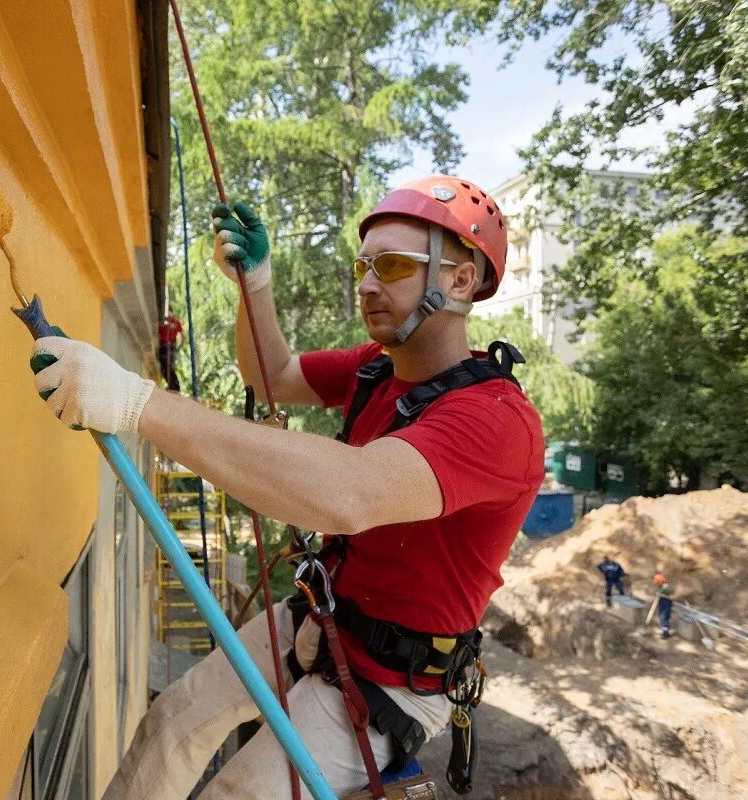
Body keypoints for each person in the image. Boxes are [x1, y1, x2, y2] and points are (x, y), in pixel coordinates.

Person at [29, 176, 545, 799]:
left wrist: (139, 404)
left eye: (392, 265)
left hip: (390, 681)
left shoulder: (495, 421)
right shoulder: (376, 369)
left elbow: (350, 494)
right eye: (363, 265)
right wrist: (257, 286)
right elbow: (271, 373)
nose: (366, 284)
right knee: (173, 724)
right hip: (321, 615)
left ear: (460, 281)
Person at [157, 310, 183, 391]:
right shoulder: (173, 322)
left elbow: (184, 335)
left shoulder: (168, 322)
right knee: (167, 367)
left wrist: (179, 347)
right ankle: (173, 386)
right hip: (168, 347)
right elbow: (184, 336)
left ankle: (174, 387)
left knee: (166, 367)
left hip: (167, 347)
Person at [654, 573, 674, 639]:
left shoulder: (665, 588)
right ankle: (665, 631)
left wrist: (662, 595)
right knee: (663, 617)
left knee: (663, 617)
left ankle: (665, 633)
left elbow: (671, 596)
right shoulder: (663, 587)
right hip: (664, 602)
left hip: (666, 603)